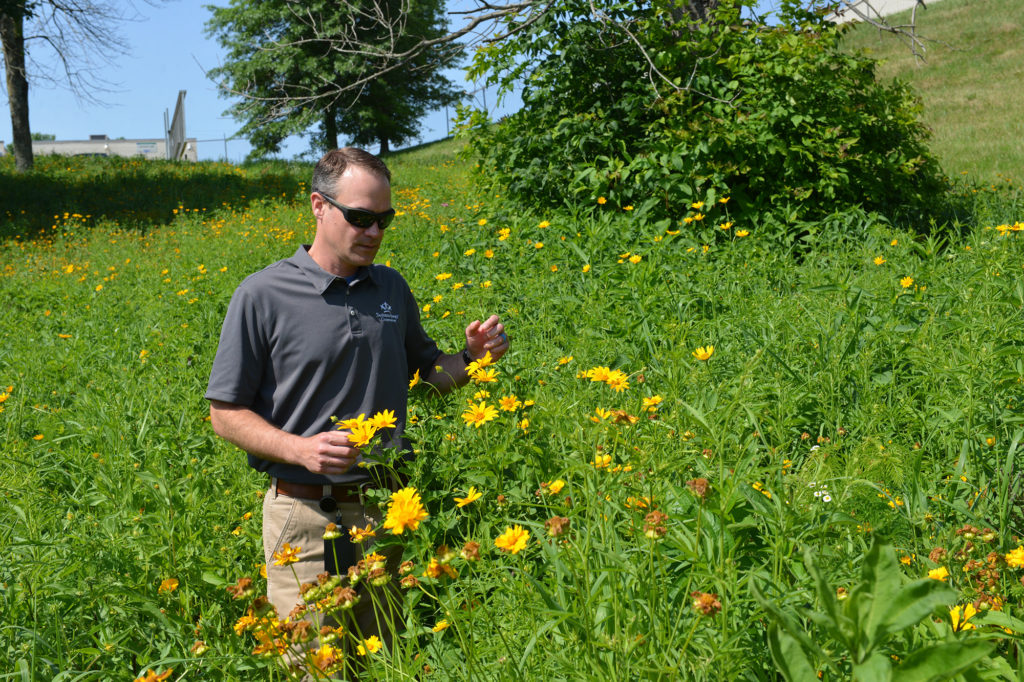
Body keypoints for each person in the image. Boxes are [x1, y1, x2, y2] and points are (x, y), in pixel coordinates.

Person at [204, 147, 509, 663]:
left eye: (383, 220)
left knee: (382, 661)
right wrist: (299, 450)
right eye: (361, 218)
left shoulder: (390, 287)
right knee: (314, 666)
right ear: (319, 207)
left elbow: (428, 378)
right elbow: (225, 413)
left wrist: (472, 358)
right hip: (303, 514)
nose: (373, 232)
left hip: (385, 512)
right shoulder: (261, 294)